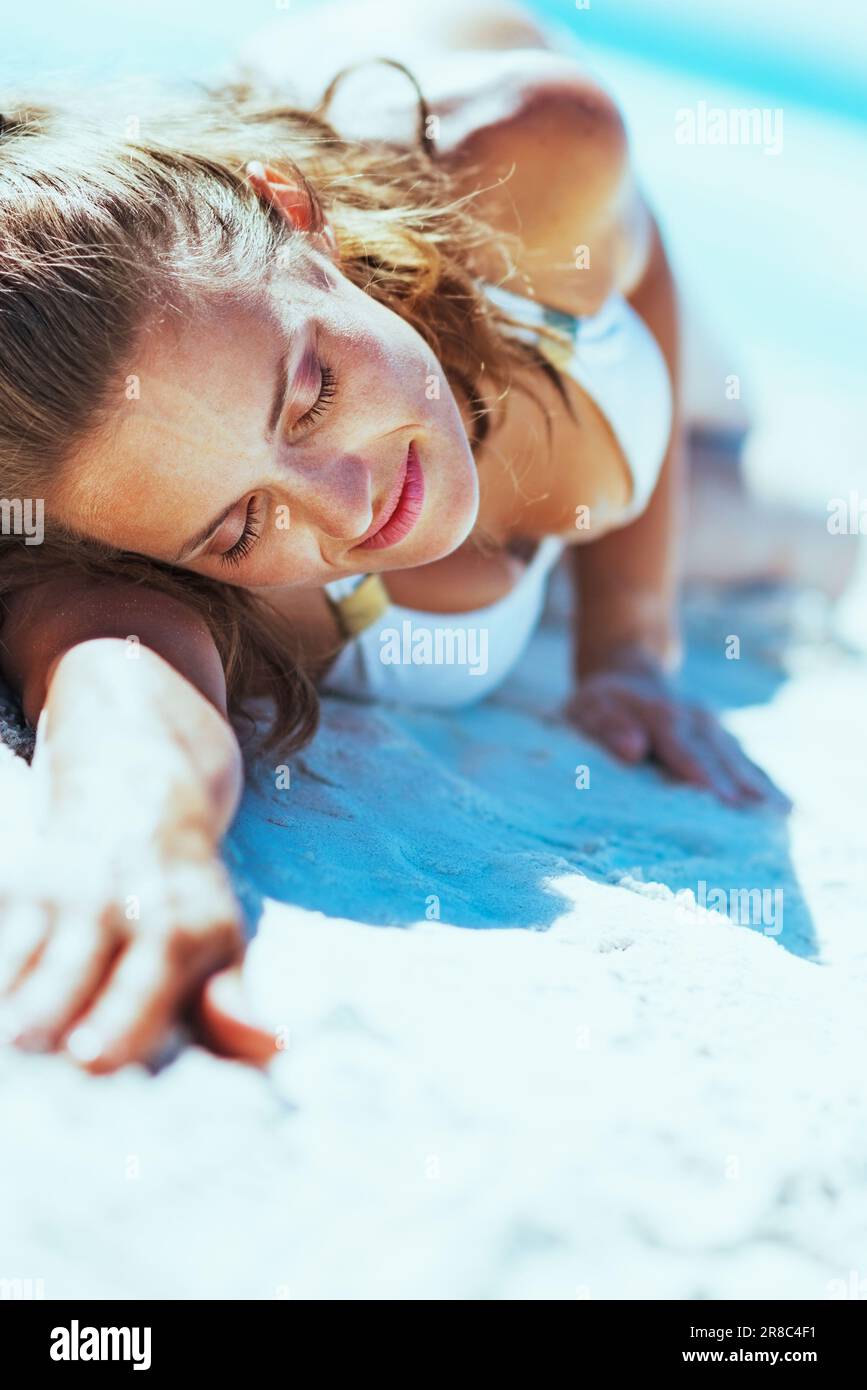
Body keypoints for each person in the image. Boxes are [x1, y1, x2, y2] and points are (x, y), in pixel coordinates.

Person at [0, 1, 801, 1072]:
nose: (344, 503)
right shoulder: (141, 518)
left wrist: (630, 638)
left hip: (504, 239)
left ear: (293, 216)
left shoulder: (533, 157)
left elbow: (633, 261)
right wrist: (137, 831)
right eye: (243, 525)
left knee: (706, 452)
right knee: (758, 532)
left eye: (312, 392)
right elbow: (120, 675)